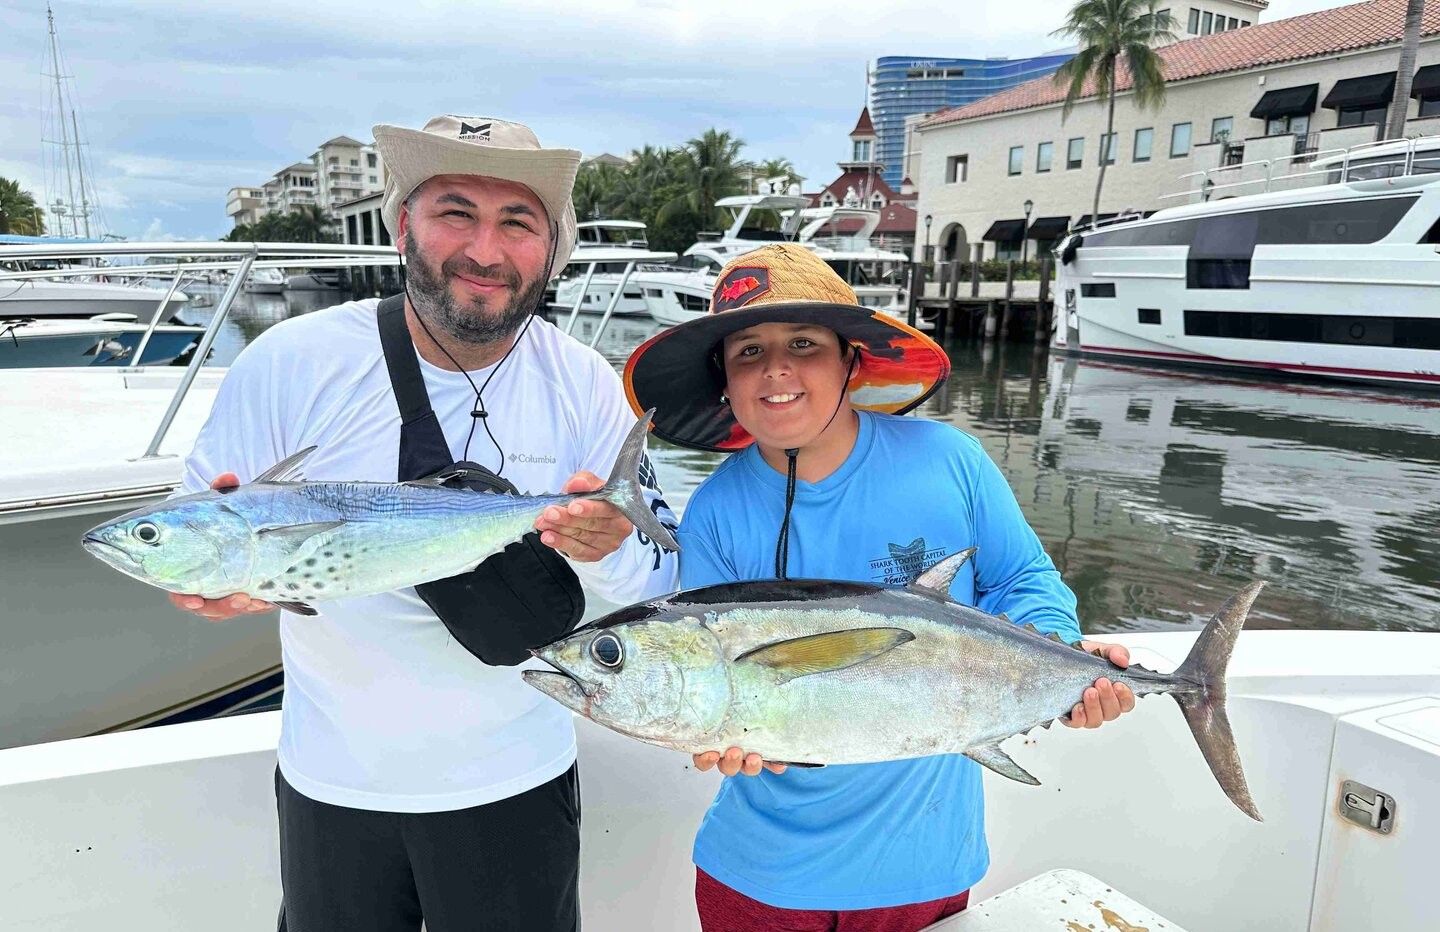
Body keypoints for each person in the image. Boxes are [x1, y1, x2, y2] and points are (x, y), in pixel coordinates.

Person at [172, 115, 679, 932]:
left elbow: (653, 583)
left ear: (552, 249)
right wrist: (222, 585)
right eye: (455, 212)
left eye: (517, 222)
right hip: (331, 783)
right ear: (402, 221)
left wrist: (610, 551)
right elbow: (204, 529)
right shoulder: (287, 363)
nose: (484, 248)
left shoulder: (586, 383)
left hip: (516, 781)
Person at [624, 243, 1135, 932]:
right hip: (759, 877)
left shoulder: (949, 459)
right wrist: (718, 732)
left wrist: (1058, 657)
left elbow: (1025, 579)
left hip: (924, 863)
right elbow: (714, 676)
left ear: (851, 361)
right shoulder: (714, 511)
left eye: (802, 343)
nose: (774, 369)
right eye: (747, 351)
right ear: (724, 381)